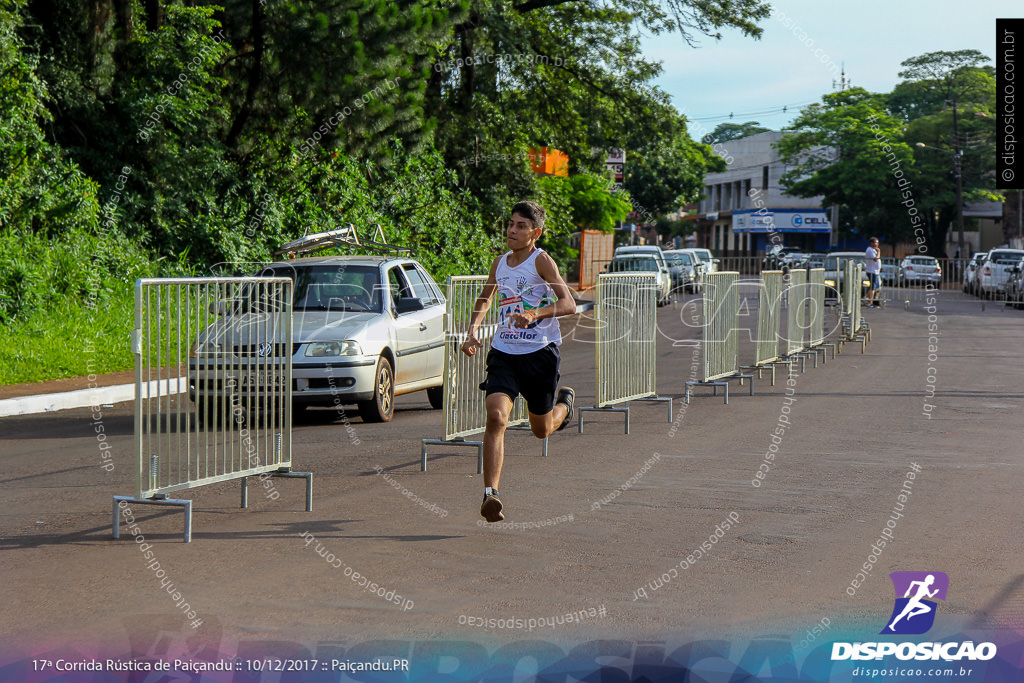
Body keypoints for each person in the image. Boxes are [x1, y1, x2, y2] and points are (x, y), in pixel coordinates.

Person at [460, 200, 576, 523]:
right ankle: (490, 495)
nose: (512, 230)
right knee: (496, 416)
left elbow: (568, 304)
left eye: (520, 226)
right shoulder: (500, 263)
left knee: (541, 430)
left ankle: (564, 406)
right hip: (504, 353)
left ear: (535, 233)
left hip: (539, 354)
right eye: (510, 224)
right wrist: (471, 331)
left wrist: (534, 313)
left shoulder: (542, 262)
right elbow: (486, 298)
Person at [864, 237, 882, 307]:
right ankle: (870, 302)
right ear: (871, 243)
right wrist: (879, 252)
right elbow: (875, 259)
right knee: (873, 287)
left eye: (877, 243)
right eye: (875, 242)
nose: (876, 244)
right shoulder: (870, 250)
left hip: (876, 272)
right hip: (872, 271)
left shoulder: (873, 250)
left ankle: (866, 297)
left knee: (877, 286)